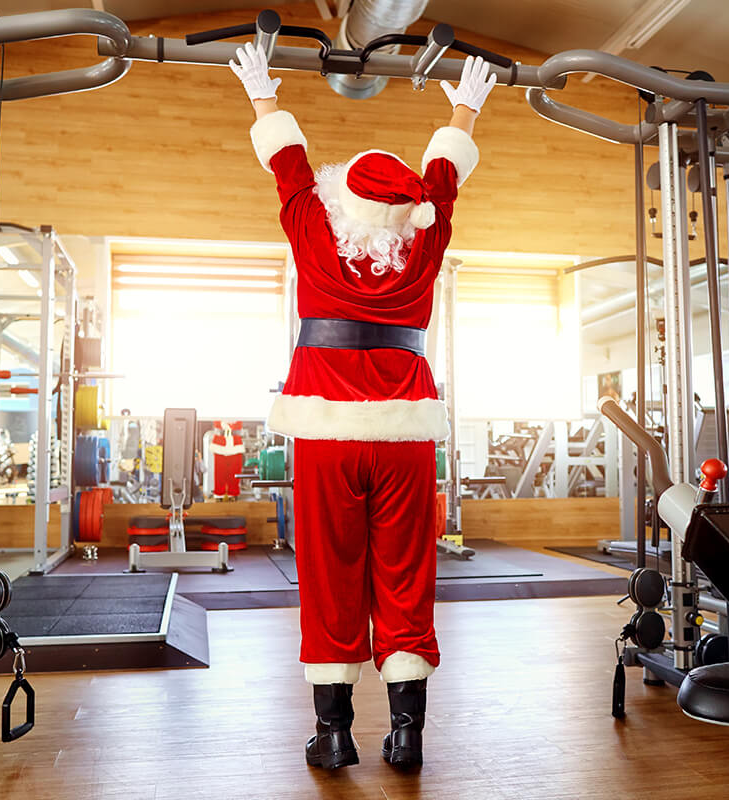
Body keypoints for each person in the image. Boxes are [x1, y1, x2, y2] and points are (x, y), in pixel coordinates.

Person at [230, 43, 496, 770]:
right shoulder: (426, 236)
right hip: (407, 433)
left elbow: (287, 164)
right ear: (407, 211)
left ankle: (336, 732)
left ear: (339, 198)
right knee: (408, 573)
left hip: (327, 432)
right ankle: (408, 737)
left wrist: (262, 91)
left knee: (329, 571)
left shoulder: (315, 230)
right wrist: (464, 107)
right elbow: (443, 176)